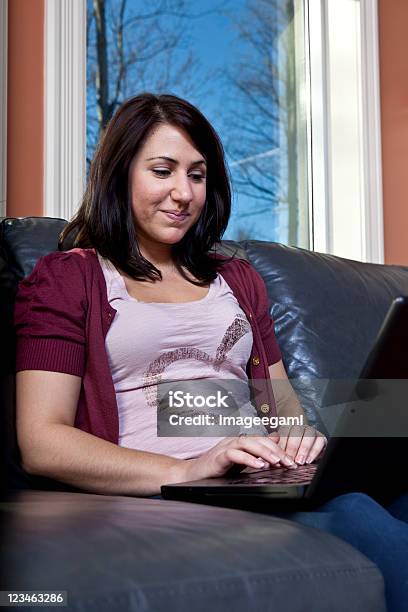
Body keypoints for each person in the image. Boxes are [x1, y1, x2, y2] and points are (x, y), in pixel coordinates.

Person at [14, 93, 408, 611]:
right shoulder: (71, 278)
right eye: (162, 171)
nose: (182, 193)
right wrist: (187, 469)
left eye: (197, 175)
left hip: (254, 479)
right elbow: (42, 441)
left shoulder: (237, 280)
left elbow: (280, 405)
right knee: (360, 514)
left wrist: (300, 441)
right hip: (176, 486)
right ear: (119, 174)